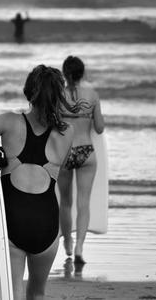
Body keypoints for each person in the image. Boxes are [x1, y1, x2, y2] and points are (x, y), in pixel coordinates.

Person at [0, 65, 84, 300]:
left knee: (14, 294)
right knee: (38, 294)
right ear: (58, 95)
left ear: (28, 92)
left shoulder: (10, 122)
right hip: (48, 224)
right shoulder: (67, 132)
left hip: (14, 221)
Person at [57, 56, 104, 265]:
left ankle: (67, 240)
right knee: (83, 202)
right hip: (86, 151)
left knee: (65, 202)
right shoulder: (92, 95)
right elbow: (100, 128)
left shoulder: (58, 96)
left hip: (65, 152)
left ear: (64, 73)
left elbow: (53, 125)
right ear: (82, 73)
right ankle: (79, 247)